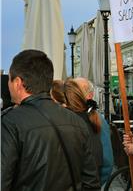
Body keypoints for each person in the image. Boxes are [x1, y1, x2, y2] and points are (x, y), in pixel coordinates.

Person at [1, 49, 100, 190]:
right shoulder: (77, 121)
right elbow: (91, 183)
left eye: (9, 79)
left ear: (17, 82)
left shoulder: (9, 123)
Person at [74, 77, 114, 186]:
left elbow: (107, 161)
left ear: (89, 96)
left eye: (77, 91)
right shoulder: (68, 117)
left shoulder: (98, 120)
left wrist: (96, 184)